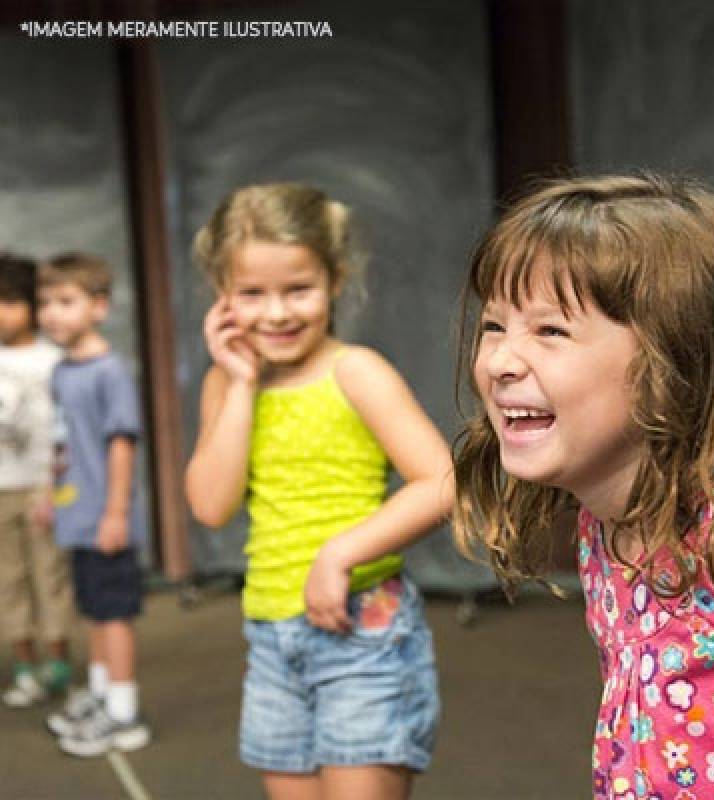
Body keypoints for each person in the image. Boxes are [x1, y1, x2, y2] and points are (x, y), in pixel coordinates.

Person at [453, 173, 714, 798]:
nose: (502, 361)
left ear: (672, 359)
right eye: (495, 326)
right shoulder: (603, 516)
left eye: (550, 331)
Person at [186, 183, 450, 800]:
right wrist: (241, 384)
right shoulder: (225, 386)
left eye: (296, 289)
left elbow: (441, 483)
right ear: (222, 296)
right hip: (272, 637)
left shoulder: (357, 372)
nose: (276, 313)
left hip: (362, 632)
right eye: (252, 294)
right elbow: (209, 504)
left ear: (334, 280)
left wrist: (340, 555)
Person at [36, 253, 150, 757]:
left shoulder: (110, 372)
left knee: (113, 615)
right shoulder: (62, 371)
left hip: (106, 520)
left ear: (99, 307)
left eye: (66, 301)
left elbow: (120, 444)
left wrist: (115, 513)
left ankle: (124, 715)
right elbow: (63, 445)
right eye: (45, 302)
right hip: (75, 517)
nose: (52, 313)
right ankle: (102, 696)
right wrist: (48, 494)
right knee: (93, 611)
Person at [0, 253, 73, 708]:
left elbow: (68, 431)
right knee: (8, 581)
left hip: (44, 485)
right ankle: (24, 666)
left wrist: (55, 487)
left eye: (9, 302)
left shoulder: (53, 360)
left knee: (50, 577)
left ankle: (58, 663)